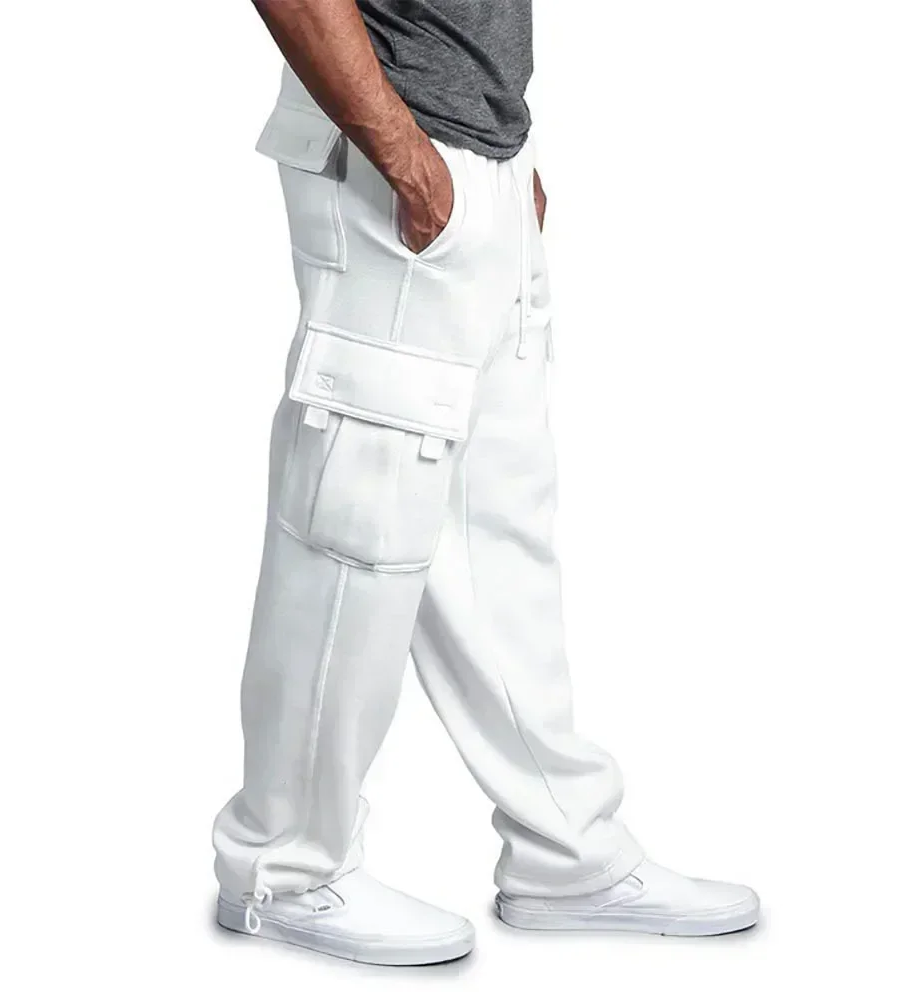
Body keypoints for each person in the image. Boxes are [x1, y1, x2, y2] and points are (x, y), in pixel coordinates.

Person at [213, 0, 759, 965]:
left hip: (477, 160)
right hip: (390, 159)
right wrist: (405, 156)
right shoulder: (399, 155)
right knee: (357, 522)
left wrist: (504, 159)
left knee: (496, 527)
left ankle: (566, 852)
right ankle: (282, 867)